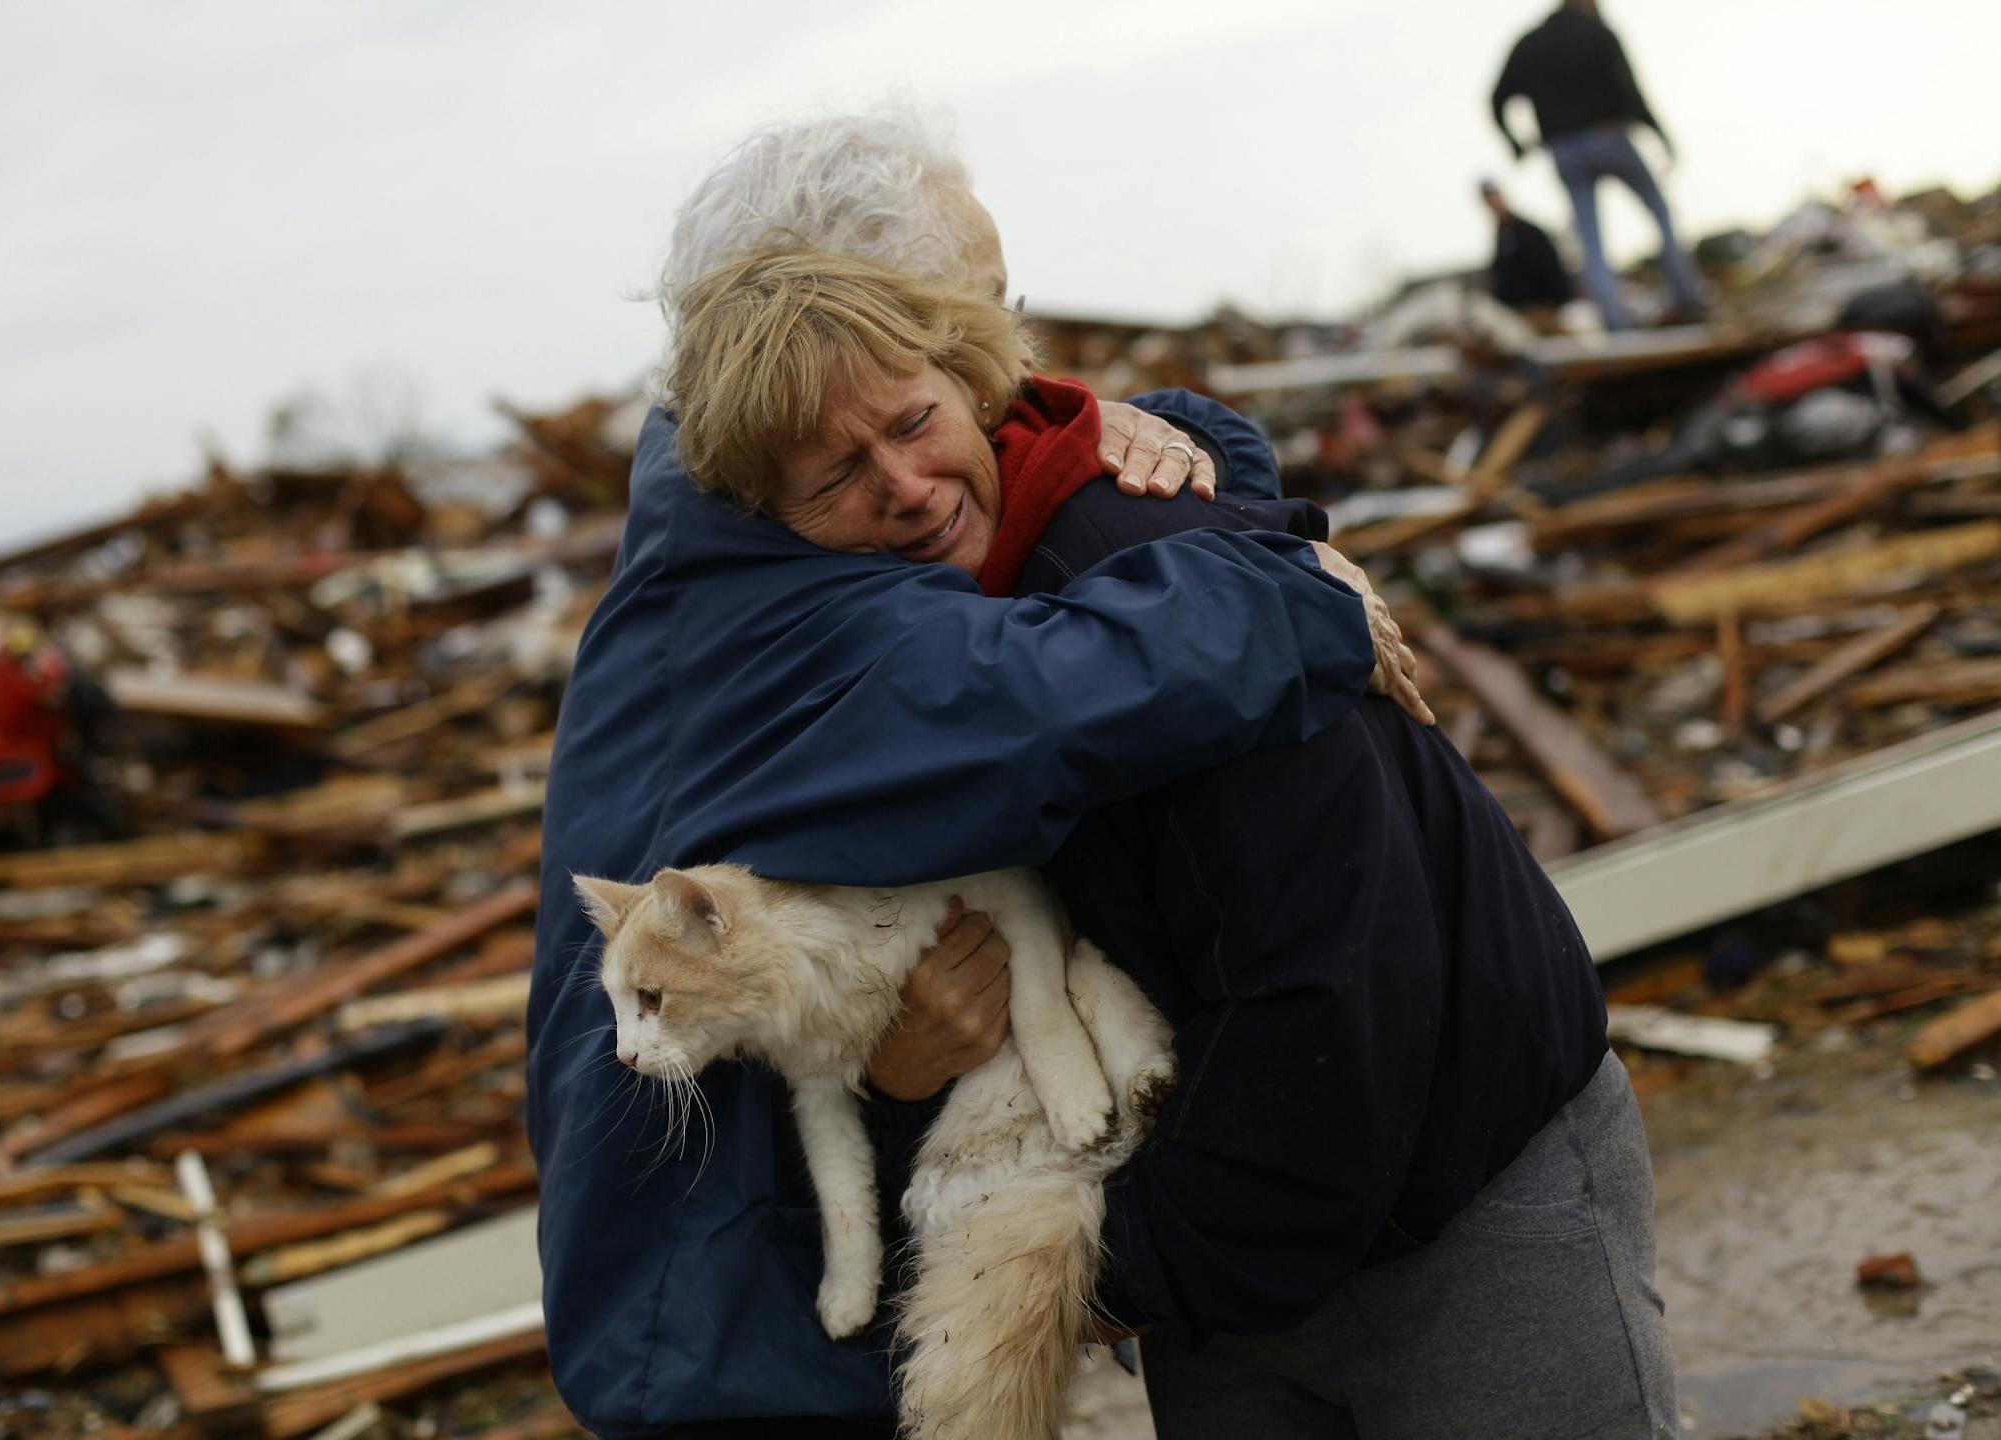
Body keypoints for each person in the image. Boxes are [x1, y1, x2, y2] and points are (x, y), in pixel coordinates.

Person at [664, 245, 1678, 1439]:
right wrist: (910, 1074)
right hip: (1230, 1246)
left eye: (913, 421)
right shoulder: (893, 670)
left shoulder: (1148, 574)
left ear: (971, 382)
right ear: (774, 524)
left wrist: (1132, 1273)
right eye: (837, 472)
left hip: (1465, 1203)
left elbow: (1336, 980)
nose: (902, 483)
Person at [529, 111, 1423, 1439]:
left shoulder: (739, 509)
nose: (1003, 364)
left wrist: (1176, 440)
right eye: (970, 310)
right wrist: (1297, 588)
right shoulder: (777, 594)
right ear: (821, 324)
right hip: (726, 1325)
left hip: (747, 1280)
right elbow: (1051, 697)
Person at [1492, 0, 1708, 330]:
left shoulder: (1529, 44)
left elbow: (1496, 98)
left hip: (1563, 149)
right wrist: (1659, 134)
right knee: (1660, 213)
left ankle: (1616, 323)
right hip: (1609, 135)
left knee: (1590, 241)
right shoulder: (1597, 32)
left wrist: (1517, 146)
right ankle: (1687, 297)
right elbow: (1632, 89)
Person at [1482, 178, 1573, 334]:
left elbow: (1548, 267)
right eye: (1488, 198)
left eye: (1494, 195)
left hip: (1542, 310)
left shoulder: (1527, 232)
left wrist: (1554, 302)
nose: (1493, 202)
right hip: (1518, 313)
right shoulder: (1501, 236)